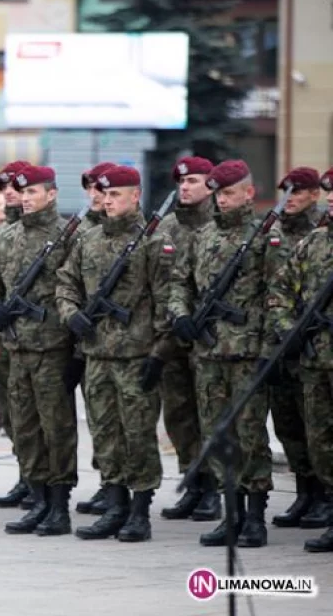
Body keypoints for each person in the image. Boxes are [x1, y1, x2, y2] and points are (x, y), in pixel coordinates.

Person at [169, 159, 288, 549]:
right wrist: (182, 314)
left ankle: (255, 517)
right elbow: (179, 283)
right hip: (208, 352)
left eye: (231, 193)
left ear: (249, 193)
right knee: (216, 435)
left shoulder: (266, 237)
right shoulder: (201, 236)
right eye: (218, 194)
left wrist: (268, 346)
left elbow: (279, 294)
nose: (223, 201)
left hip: (247, 353)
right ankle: (230, 512)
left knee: (250, 435)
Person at [56, 165, 174, 543]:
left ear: (135, 196)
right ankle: (114, 505)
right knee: (105, 434)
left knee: (138, 435)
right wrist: (72, 315)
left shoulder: (152, 241)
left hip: (136, 355)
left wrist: (159, 354)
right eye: (104, 195)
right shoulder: (87, 239)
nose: (107, 201)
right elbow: (66, 282)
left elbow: (166, 301)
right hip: (97, 356)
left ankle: (140, 511)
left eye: (116, 195)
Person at [0, 165, 78, 537]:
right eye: (21, 193)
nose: (25, 199)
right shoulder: (7, 235)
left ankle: (58, 505)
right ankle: (37, 498)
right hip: (16, 345)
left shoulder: (69, 235)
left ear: (51, 194)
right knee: (24, 427)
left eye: (33, 193)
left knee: (56, 428)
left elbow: (78, 287)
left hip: (53, 346)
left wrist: (77, 351)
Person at [155, 157, 221, 522]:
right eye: (182, 182)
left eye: (193, 181)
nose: (186, 187)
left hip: (209, 336)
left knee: (208, 413)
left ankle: (211, 488)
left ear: (211, 185)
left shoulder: (218, 225)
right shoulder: (165, 227)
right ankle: (191, 481)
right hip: (170, 333)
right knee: (178, 414)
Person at [271, 165, 333, 552]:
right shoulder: (314, 243)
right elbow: (280, 290)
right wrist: (288, 330)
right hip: (315, 360)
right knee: (322, 443)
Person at [0, 161, 35, 512]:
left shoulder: (49, 233)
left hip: (40, 339)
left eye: (15, 188)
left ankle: (41, 483)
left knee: (41, 417)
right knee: (13, 413)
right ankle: (26, 475)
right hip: (8, 338)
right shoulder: (3, 234)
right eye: (3, 187)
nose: (8, 193)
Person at [73, 161, 115, 516]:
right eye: (91, 190)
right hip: (86, 343)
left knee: (125, 422)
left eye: (102, 190)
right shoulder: (81, 231)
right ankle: (107, 484)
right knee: (99, 417)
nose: (95, 196)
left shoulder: (142, 233)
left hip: (125, 344)